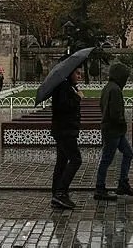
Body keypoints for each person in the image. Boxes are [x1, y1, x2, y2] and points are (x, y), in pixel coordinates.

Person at [94, 62, 133, 201]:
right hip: (114, 130)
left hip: (112, 129)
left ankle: (123, 183)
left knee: (128, 153)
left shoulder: (107, 88)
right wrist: (122, 122)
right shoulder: (115, 90)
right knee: (107, 159)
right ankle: (99, 188)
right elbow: (115, 113)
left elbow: (102, 106)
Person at [50, 66, 84, 210]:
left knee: (62, 161)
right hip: (65, 131)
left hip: (64, 130)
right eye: (77, 73)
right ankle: (60, 192)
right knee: (76, 159)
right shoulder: (63, 87)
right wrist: (77, 97)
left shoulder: (67, 86)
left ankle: (56, 194)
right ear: (70, 73)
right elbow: (63, 108)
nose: (79, 76)